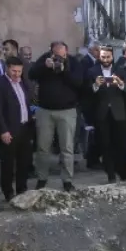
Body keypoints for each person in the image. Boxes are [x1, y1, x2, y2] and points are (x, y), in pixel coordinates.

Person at [32, 41, 82, 192]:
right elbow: (30, 74)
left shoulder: (74, 62)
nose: (59, 58)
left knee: (67, 148)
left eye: (62, 55)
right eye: (56, 56)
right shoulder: (44, 59)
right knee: (42, 147)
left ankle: (67, 180)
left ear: (66, 52)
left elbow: (79, 83)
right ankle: (42, 179)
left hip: (67, 111)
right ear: (51, 52)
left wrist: (64, 70)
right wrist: (44, 67)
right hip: (45, 110)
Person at [85, 45, 126, 184]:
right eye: (103, 57)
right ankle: (110, 175)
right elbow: (86, 92)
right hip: (101, 113)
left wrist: (120, 84)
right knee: (105, 144)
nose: (106, 60)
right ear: (99, 57)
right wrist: (95, 85)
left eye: (108, 57)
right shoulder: (91, 71)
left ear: (113, 57)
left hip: (119, 113)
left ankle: (124, 172)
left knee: (121, 144)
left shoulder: (121, 70)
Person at [0, 56, 35, 202]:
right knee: (8, 163)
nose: (17, 74)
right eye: (14, 71)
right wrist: (3, 130)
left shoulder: (23, 83)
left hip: (25, 127)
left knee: (24, 161)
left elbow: (26, 103)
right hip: (9, 130)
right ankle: (8, 192)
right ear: (7, 68)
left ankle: (22, 188)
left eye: (19, 71)